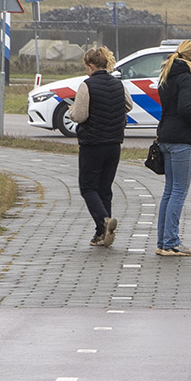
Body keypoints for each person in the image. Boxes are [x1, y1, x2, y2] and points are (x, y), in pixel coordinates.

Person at [72, 46, 130, 247]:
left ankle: (103, 220)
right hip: (114, 143)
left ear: (90, 65)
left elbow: (80, 116)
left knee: (88, 187)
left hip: (92, 143)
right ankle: (101, 234)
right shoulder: (118, 85)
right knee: (105, 188)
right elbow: (128, 105)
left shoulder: (86, 86)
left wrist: (72, 110)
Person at [154, 39, 191, 257]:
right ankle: (171, 242)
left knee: (168, 191)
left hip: (166, 136)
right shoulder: (186, 78)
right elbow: (185, 108)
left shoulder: (167, 75)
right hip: (181, 140)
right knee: (178, 191)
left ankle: (163, 241)